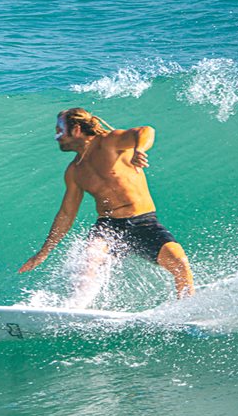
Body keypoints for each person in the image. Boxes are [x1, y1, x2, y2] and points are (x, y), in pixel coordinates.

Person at [19, 107, 194, 300]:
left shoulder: (110, 142)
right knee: (89, 261)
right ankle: (76, 309)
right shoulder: (75, 171)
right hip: (108, 226)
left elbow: (146, 130)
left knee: (179, 263)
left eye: (60, 129)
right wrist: (43, 252)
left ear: (76, 129)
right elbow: (67, 214)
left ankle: (187, 308)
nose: (57, 135)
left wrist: (139, 150)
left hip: (143, 222)